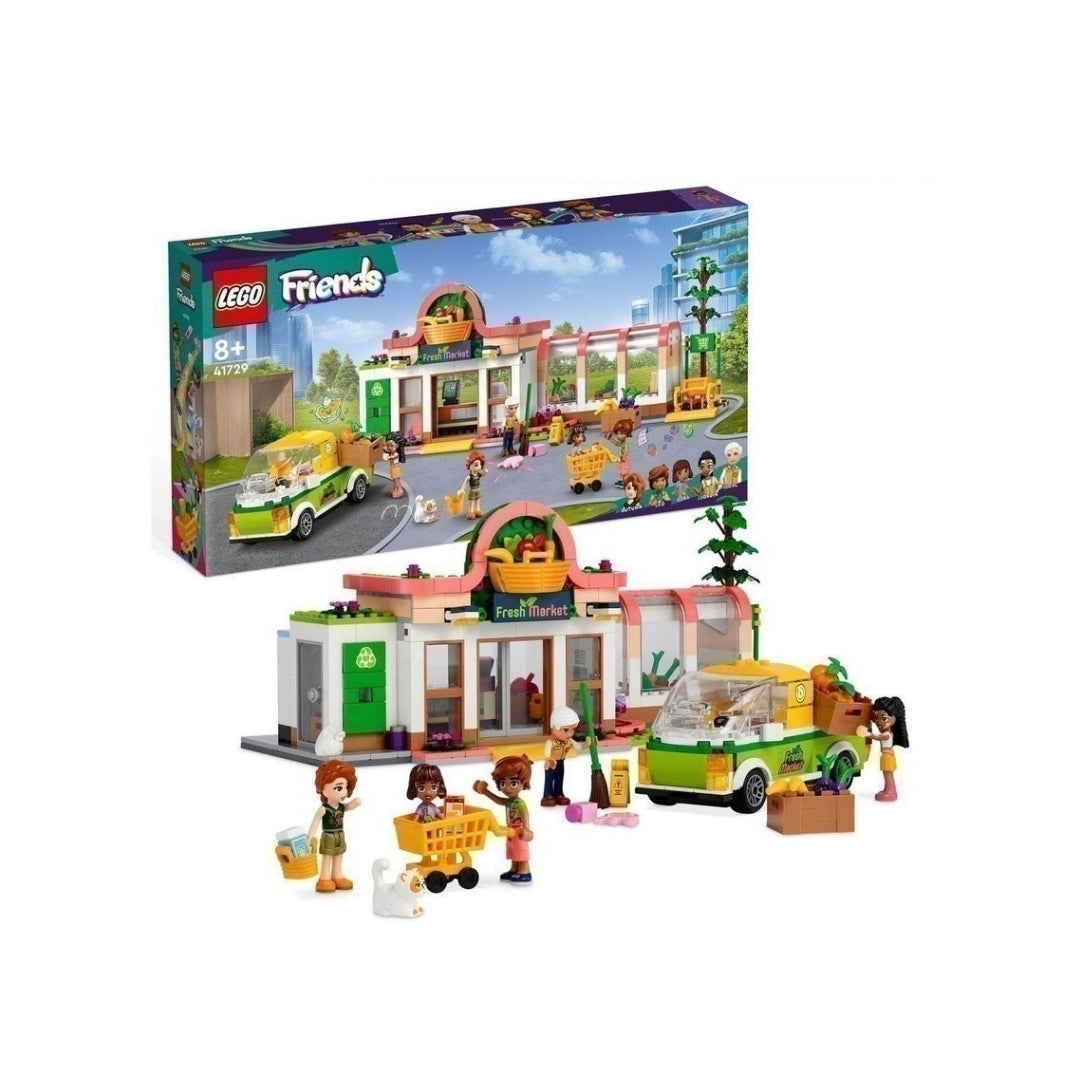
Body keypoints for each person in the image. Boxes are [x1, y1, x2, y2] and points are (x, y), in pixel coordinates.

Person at [473, 756, 534, 884]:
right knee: (513, 850)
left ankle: (524, 871)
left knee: (521, 850)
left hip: (519, 830)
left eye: (513, 783)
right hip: (510, 829)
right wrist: (485, 791)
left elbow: (525, 814)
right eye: (502, 783)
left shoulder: (520, 803)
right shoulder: (509, 801)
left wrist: (527, 829)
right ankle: (514, 869)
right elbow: (498, 800)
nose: (507, 788)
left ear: (524, 783)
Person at [308, 760, 362, 894]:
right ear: (322, 788)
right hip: (328, 835)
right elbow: (315, 823)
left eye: (345, 787)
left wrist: (356, 802)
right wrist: (310, 836)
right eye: (338, 788)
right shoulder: (324, 809)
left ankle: (337, 876)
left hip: (340, 834)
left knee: (339, 855)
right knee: (327, 857)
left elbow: (349, 806)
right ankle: (324, 878)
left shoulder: (341, 807)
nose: (344, 792)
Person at [866, 697, 908, 801]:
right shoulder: (887, 732)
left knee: (888, 774)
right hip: (886, 755)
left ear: (894, 718)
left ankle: (891, 792)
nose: (879, 722)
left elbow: (878, 737)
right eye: (877, 719)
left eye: (884, 719)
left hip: (887, 756)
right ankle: (888, 789)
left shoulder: (887, 734)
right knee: (886, 774)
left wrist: (867, 733)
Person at [541, 707, 580, 807]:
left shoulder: (569, 741)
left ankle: (559, 794)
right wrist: (548, 760)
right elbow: (546, 754)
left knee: (560, 778)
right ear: (554, 727)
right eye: (566, 730)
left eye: (572, 729)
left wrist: (589, 743)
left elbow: (579, 747)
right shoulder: (550, 742)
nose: (570, 733)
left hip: (561, 762)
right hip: (552, 763)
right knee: (549, 779)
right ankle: (548, 795)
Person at [459, 450, 488, 520]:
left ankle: (477, 510)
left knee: (478, 500)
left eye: (480, 465)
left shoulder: (478, 474)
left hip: (478, 490)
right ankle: (471, 512)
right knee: (472, 501)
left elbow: (482, 474)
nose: (479, 467)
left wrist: (485, 472)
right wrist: (462, 489)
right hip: (472, 490)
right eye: (476, 465)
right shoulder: (470, 476)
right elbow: (465, 482)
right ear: (470, 466)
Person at [384, 432, 405, 498]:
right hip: (393, 469)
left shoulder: (396, 454)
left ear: (397, 445)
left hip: (396, 470)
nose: (389, 448)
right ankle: (396, 489)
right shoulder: (392, 453)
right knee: (394, 480)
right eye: (388, 446)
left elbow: (389, 458)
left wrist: (387, 455)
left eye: (391, 446)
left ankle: (400, 490)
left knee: (397, 480)